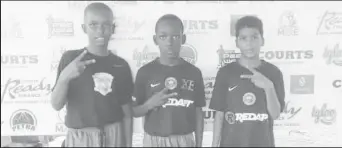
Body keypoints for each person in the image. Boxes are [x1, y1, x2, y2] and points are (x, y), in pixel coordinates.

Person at [50, 2, 133, 147]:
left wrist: (127, 144)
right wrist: (65, 77)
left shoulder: (121, 65)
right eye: (93, 25)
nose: (100, 30)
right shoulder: (70, 59)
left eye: (106, 25)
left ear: (113, 28)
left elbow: (127, 114)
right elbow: (56, 105)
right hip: (80, 137)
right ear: (84, 28)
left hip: (113, 135)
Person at [209, 16, 285, 147]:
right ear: (237, 42)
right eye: (244, 38)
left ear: (262, 40)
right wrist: (214, 145)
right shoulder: (226, 72)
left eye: (254, 37)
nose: (249, 43)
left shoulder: (273, 72)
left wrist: (268, 87)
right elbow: (219, 114)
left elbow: (275, 114)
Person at [132, 14, 205, 147]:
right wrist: (149, 105)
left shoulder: (194, 73)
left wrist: (199, 144)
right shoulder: (145, 72)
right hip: (154, 140)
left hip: (185, 140)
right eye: (163, 37)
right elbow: (134, 112)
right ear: (155, 39)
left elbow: (198, 113)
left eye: (175, 36)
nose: (169, 43)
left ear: (183, 39)